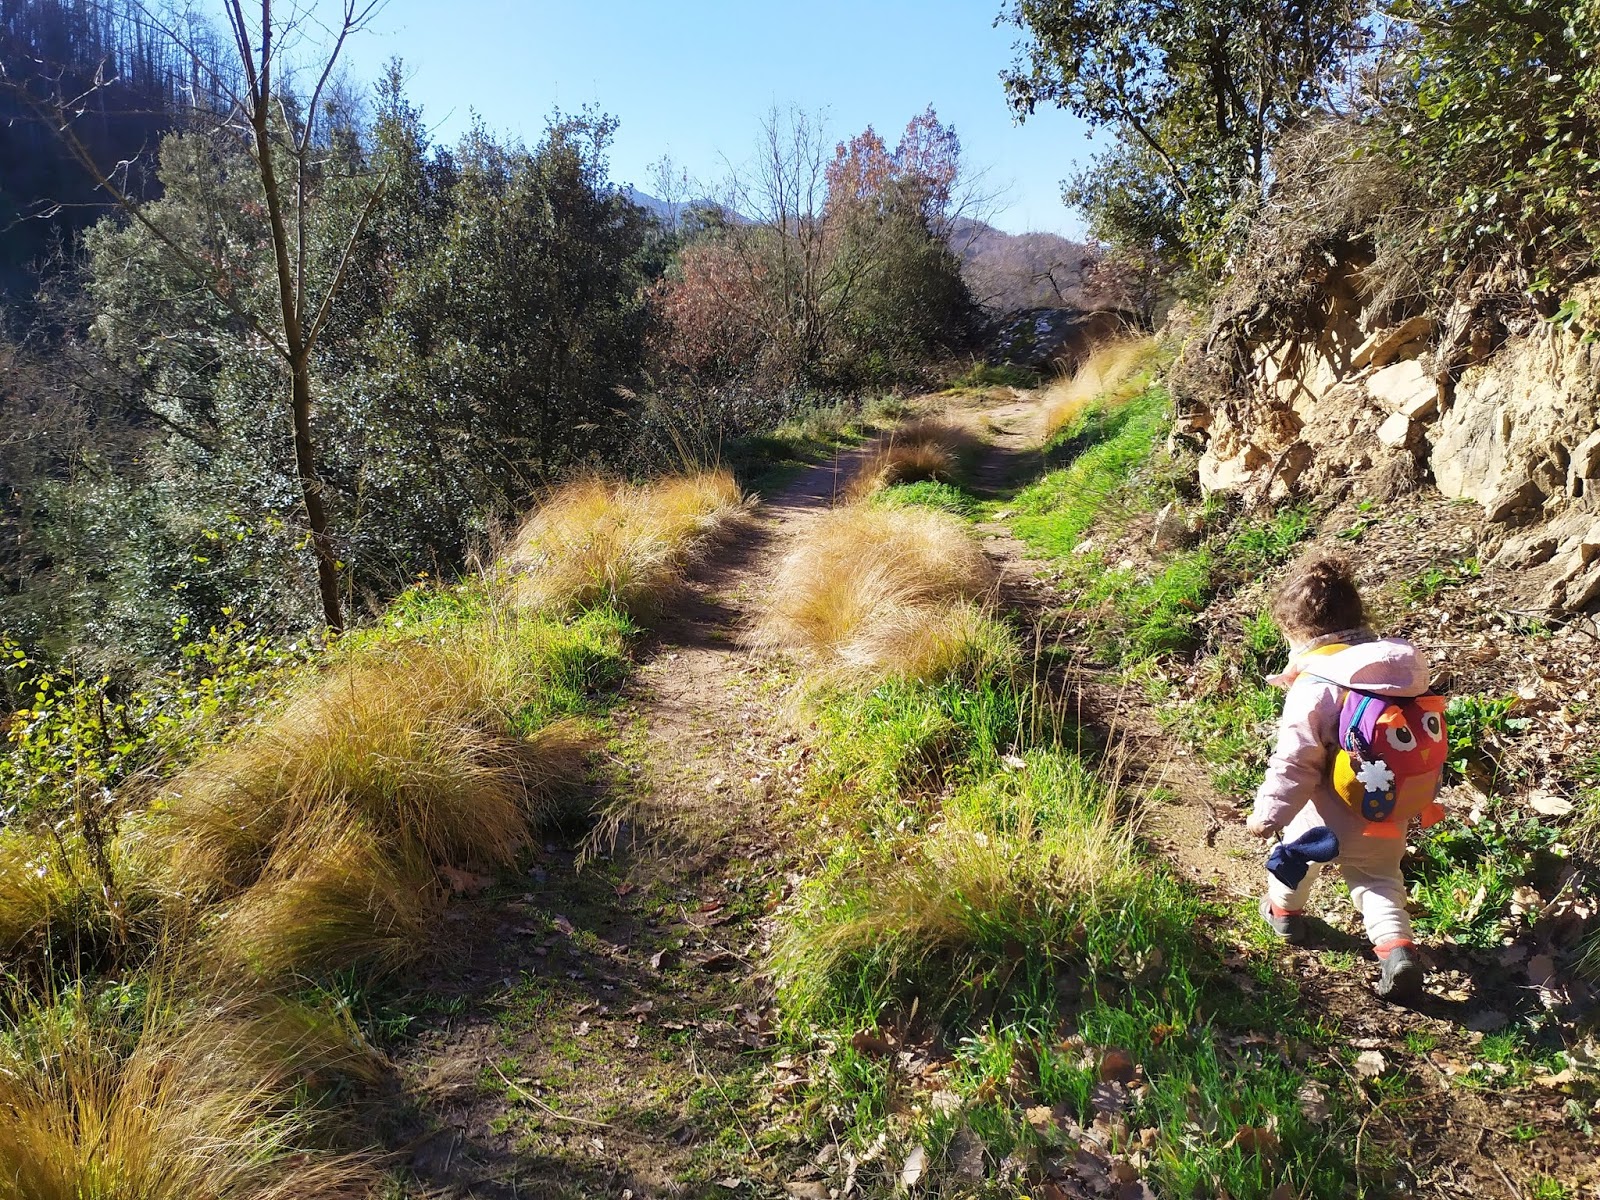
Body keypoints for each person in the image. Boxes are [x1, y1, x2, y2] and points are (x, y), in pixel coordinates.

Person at [1245, 552, 1436, 1001]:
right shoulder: (1401, 676)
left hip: (1324, 820)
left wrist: (1268, 814)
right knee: (1379, 881)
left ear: (1299, 634)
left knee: (1294, 862)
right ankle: (1397, 949)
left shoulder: (1317, 685)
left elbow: (1295, 761)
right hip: (1387, 811)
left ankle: (1283, 915)